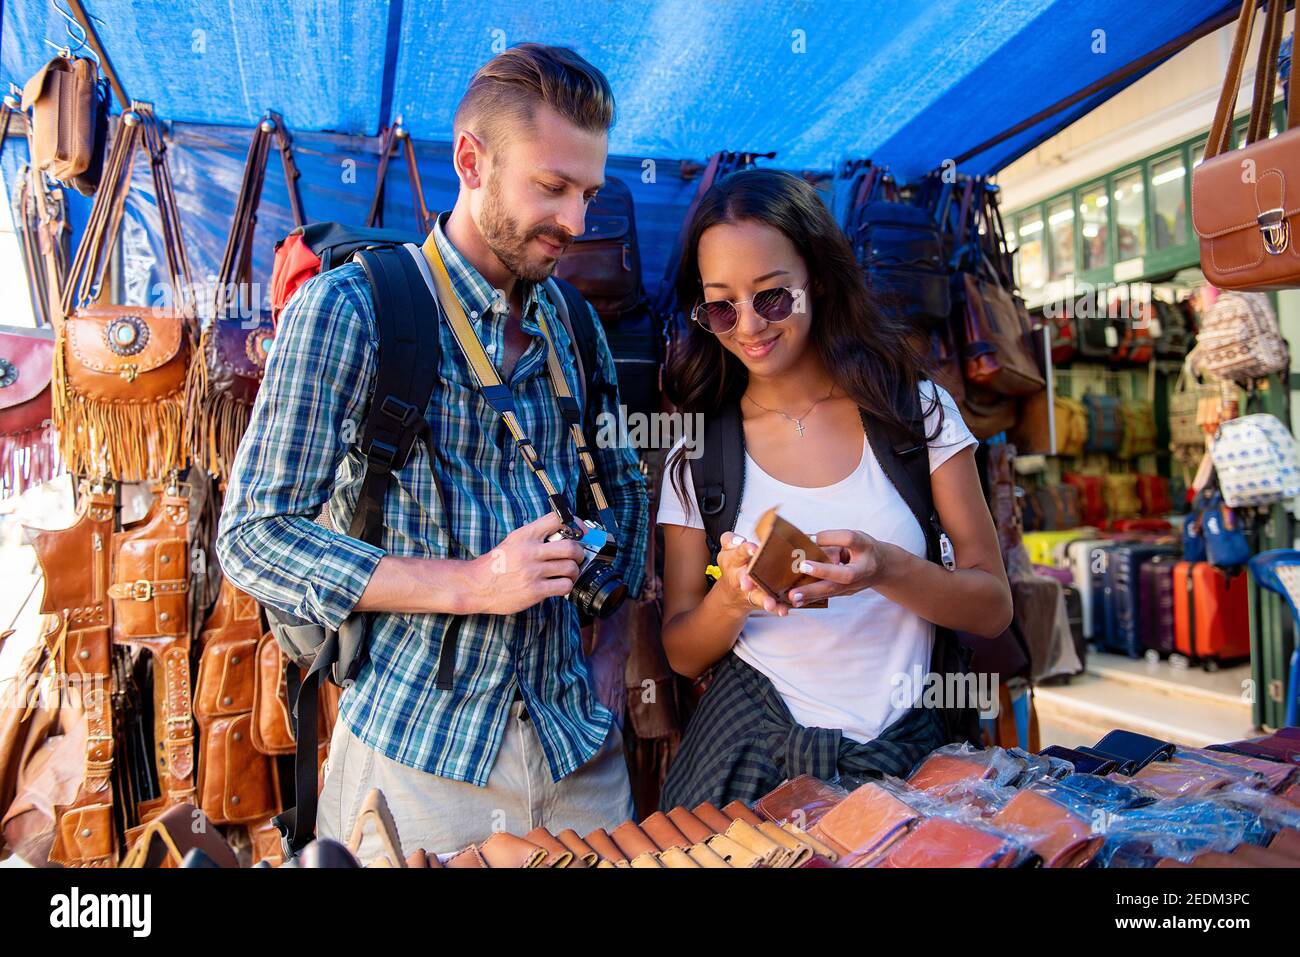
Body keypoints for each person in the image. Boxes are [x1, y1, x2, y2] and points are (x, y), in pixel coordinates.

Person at [217, 44, 649, 858]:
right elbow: (252, 536)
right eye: (551, 187)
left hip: (581, 757)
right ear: (469, 161)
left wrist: (615, 647)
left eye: (588, 193)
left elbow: (624, 489)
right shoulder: (353, 308)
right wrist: (475, 584)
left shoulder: (575, 324)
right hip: (420, 762)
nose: (578, 222)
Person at [655, 168, 1013, 810]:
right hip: (748, 770)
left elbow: (992, 607)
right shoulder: (696, 449)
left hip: (912, 763)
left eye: (770, 297)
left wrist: (887, 568)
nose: (748, 327)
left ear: (817, 279)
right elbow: (682, 651)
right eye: (720, 306)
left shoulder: (917, 413)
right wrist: (733, 598)